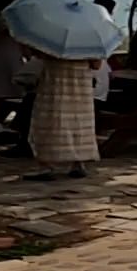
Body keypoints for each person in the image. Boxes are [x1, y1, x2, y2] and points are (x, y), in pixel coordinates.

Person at [27, 48, 101, 180]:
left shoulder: (52, 35)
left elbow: (39, 55)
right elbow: (96, 65)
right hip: (80, 85)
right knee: (78, 123)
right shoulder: (89, 40)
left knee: (49, 122)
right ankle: (78, 163)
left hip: (54, 82)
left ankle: (46, 166)